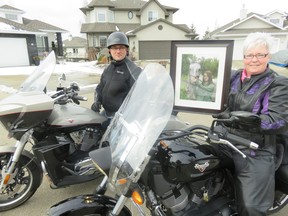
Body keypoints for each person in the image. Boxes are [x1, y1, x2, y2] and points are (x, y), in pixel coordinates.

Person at [216, 32, 288, 215]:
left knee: (251, 207)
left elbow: (277, 121)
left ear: (268, 56)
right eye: (250, 55)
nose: (254, 59)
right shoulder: (232, 77)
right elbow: (213, 98)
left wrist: (240, 119)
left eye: (260, 55)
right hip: (225, 140)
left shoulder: (277, 83)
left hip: (256, 149)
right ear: (244, 57)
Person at [91, 31, 142, 125]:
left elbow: (142, 96)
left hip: (122, 120)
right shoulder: (108, 69)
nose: (118, 51)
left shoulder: (133, 70)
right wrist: (97, 101)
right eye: (114, 48)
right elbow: (100, 87)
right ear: (109, 50)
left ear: (126, 49)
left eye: (121, 47)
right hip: (106, 114)